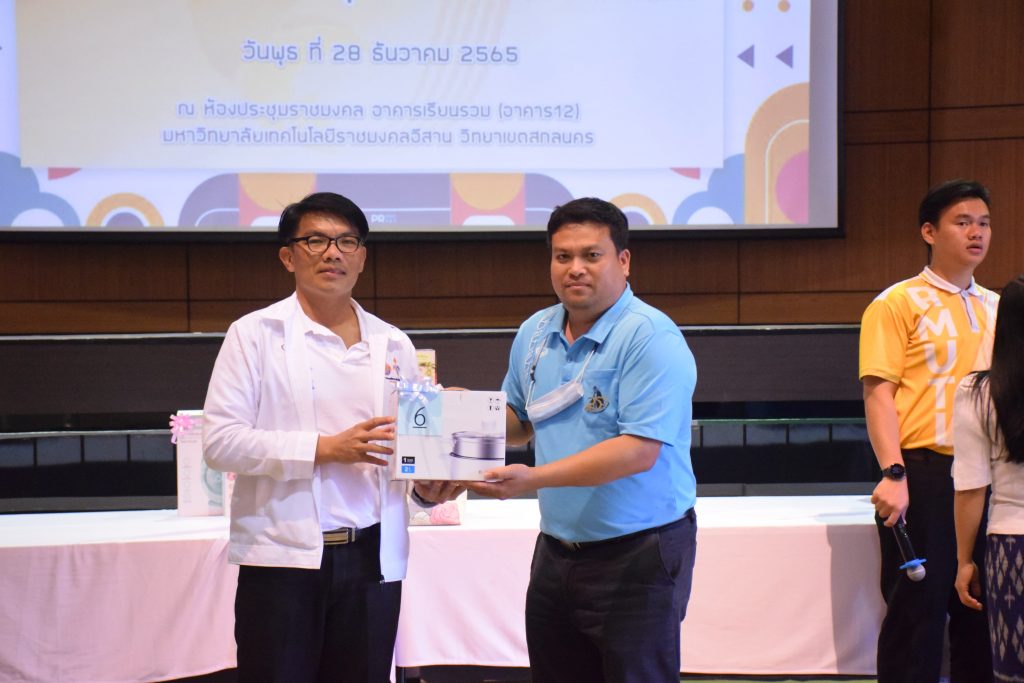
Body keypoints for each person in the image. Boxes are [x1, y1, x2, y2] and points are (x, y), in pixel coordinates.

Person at [202, 192, 460, 683]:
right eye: (316, 241)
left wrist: (429, 488)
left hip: (371, 560)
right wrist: (324, 449)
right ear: (288, 256)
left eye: (346, 242)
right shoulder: (254, 334)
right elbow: (221, 442)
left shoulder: (394, 343)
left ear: (362, 257)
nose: (332, 253)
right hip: (283, 559)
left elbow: (412, 448)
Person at [468, 197, 698, 683]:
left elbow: (638, 450)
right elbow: (521, 421)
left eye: (592, 255)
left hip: (638, 553)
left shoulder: (650, 337)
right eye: (562, 256)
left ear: (623, 261)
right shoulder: (535, 332)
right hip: (556, 551)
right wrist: (461, 412)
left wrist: (533, 479)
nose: (575, 268)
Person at [859, 179, 997, 683]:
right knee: (917, 613)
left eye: (984, 223)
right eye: (963, 222)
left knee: (981, 608)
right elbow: (878, 394)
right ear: (929, 232)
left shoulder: (998, 306)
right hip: (925, 474)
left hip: (989, 478)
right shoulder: (897, 303)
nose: (976, 233)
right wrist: (894, 473)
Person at [953, 274, 1024, 681]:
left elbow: (970, 487)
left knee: (1012, 671)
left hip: (1010, 546)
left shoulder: (977, 391)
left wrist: (965, 561)